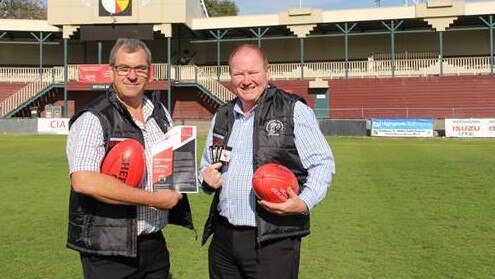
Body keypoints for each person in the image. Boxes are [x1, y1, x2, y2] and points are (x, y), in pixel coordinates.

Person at [199, 44, 335, 279]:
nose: (246, 80)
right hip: (224, 237)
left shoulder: (293, 109)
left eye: (253, 72)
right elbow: (206, 164)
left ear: (267, 72)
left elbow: (322, 163)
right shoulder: (222, 115)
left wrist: (303, 203)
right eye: (239, 73)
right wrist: (206, 178)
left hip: (272, 239)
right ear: (230, 76)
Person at [66, 38, 194, 279]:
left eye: (139, 68)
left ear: (150, 72)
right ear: (111, 71)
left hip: (154, 244)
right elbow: (84, 181)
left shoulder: (160, 113)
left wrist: (188, 180)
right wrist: (152, 199)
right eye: (124, 68)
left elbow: (172, 165)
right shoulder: (94, 118)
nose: (132, 76)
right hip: (108, 249)